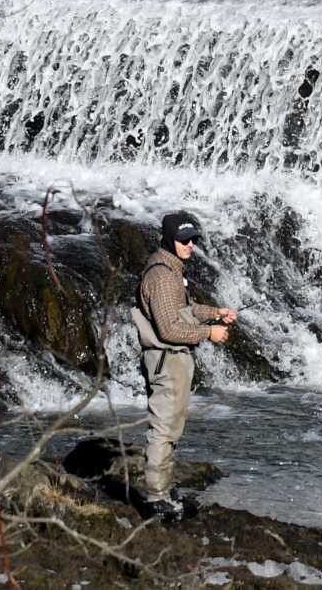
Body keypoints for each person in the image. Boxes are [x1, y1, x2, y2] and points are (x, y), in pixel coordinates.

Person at [132, 210, 238, 520]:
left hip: (172, 359)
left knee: (171, 427)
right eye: (184, 240)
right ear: (169, 239)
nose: (190, 245)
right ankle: (156, 499)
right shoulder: (163, 276)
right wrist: (210, 332)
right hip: (168, 359)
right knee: (164, 429)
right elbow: (169, 330)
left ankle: (163, 488)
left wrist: (215, 312)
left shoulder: (170, 268)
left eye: (193, 239)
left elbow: (184, 310)